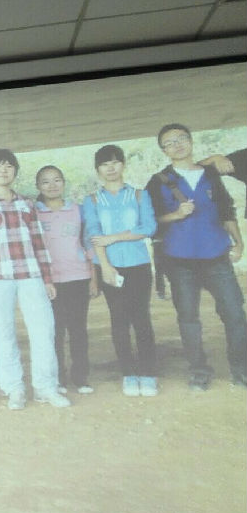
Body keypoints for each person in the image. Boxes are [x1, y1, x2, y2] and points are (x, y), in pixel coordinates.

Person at [146, 125, 246, 390]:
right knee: (189, 319)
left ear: (190, 141)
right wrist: (176, 215)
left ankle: (241, 369)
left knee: (235, 314)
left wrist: (238, 241)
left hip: (217, 255)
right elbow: (149, 221)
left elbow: (226, 210)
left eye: (181, 139)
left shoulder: (210, 175)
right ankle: (199, 371)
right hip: (179, 261)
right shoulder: (157, 182)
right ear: (164, 150)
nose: (177, 144)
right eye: (170, 142)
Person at [0, 149, 69, 410]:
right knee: (5, 334)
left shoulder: (27, 204)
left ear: (14, 170)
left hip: (32, 275)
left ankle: (45, 387)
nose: (4, 170)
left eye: (8, 166)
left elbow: (39, 241)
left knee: (44, 331)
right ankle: (13, 388)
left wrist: (47, 278)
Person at [82, 145, 159, 397]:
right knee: (119, 319)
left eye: (115, 162)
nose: (111, 168)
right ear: (98, 170)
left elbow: (149, 227)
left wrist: (114, 237)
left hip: (138, 264)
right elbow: (93, 234)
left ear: (123, 164)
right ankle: (128, 373)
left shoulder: (139, 195)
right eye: (105, 164)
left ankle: (148, 373)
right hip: (109, 266)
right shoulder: (92, 200)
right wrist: (104, 266)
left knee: (141, 318)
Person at [35, 165, 99, 395]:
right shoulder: (33, 212)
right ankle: (58, 378)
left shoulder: (77, 210)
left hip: (78, 277)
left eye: (57, 180)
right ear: (38, 186)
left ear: (64, 182)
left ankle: (80, 377)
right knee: (55, 331)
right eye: (45, 181)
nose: (52, 185)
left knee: (78, 329)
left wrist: (93, 278)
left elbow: (88, 243)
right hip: (49, 281)